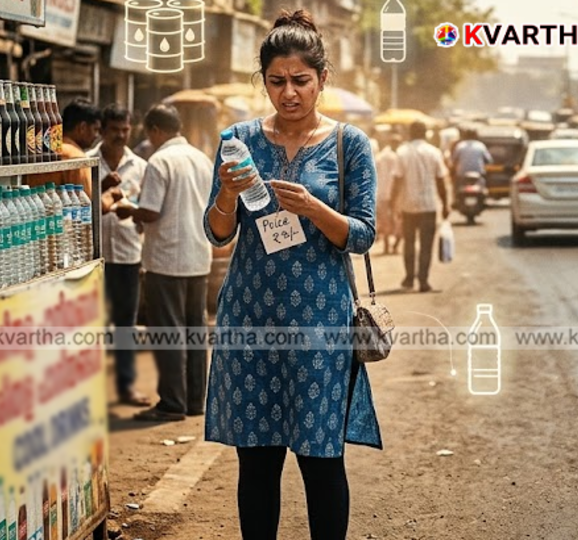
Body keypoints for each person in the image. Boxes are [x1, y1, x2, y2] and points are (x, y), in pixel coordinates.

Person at [203, 9, 382, 540]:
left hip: (320, 325)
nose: (289, 93)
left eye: (300, 81)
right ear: (263, 82)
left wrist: (315, 210)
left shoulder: (350, 145)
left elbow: (364, 234)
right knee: (256, 462)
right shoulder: (237, 139)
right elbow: (217, 234)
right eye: (277, 82)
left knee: (320, 460)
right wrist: (229, 196)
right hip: (249, 318)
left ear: (323, 79)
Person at [116, 104, 213, 422]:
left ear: (155, 130)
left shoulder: (159, 161)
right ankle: (195, 400)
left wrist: (128, 208)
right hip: (198, 256)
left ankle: (172, 403)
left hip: (167, 260)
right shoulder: (201, 158)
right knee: (194, 331)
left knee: (169, 332)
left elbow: (151, 211)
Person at [86, 104, 149, 407]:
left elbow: (147, 209)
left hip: (127, 255)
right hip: (92, 257)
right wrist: (102, 186)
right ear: (102, 130)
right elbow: (78, 202)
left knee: (125, 324)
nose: (121, 135)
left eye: (126, 130)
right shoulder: (86, 162)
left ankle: (126, 387)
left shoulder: (140, 166)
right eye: (115, 130)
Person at [390, 120, 450, 293]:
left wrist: (393, 203)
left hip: (408, 205)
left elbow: (397, 180)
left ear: (410, 133)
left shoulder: (402, 153)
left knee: (409, 243)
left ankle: (409, 278)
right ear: (425, 134)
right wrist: (445, 204)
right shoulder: (434, 153)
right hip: (429, 205)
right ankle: (423, 280)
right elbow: (441, 181)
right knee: (426, 245)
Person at [29, 98, 101, 193]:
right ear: (82, 127)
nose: (97, 135)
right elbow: (86, 201)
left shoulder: (43, 149)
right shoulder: (76, 158)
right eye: (95, 129)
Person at [375, 132, 403, 255]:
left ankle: (387, 246)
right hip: (396, 195)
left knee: (384, 221)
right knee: (400, 221)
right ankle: (395, 246)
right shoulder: (399, 157)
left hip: (381, 193)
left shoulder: (380, 157)